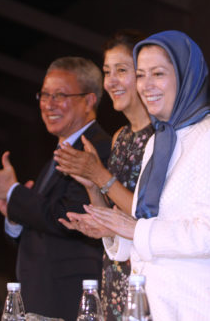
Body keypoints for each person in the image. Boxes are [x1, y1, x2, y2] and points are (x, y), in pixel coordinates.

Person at [80, 30, 210, 321]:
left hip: (198, 309)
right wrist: (113, 230)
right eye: (141, 75)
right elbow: (153, 227)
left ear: (185, 76)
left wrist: (134, 230)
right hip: (155, 308)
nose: (146, 86)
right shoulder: (159, 141)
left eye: (157, 74)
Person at [0, 56, 111, 321]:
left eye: (59, 95)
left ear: (89, 100)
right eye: (44, 95)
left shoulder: (97, 148)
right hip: (43, 298)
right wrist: (13, 214)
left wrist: (14, 193)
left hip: (70, 300)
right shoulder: (59, 152)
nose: (48, 104)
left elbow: (73, 216)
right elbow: (43, 225)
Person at [53, 30, 154, 320]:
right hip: (115, 272)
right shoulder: (120, 137)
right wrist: (92, 187)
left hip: (148, 278)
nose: (110, 82)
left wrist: (99, 174)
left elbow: (148, 216)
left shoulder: (163, 136)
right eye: (107, 72)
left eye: (121, 70)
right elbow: (114, 222)